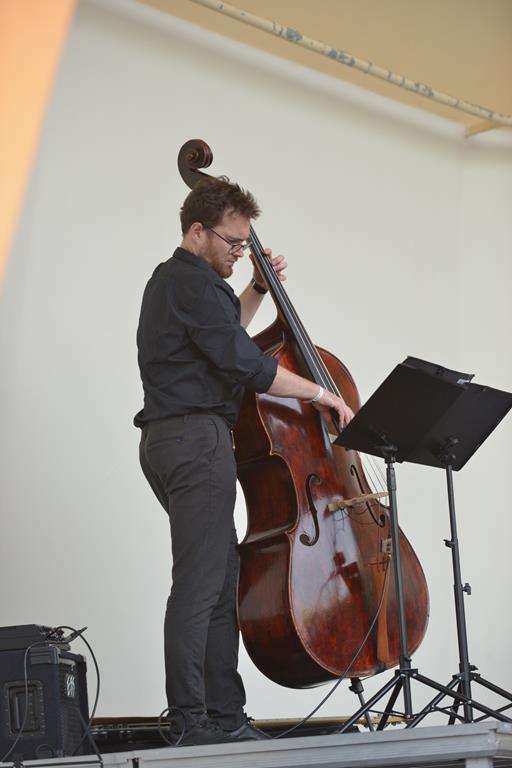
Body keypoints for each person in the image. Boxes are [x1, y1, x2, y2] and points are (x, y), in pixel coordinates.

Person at [134, 176, 353, 746]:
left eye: (243, 244)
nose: (239, 252)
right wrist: (321, 393)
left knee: (218, 577)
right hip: (196, 440)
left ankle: (223, 716)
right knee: (201, 583)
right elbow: (249, 365)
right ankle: (192, 721)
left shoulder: (176, 282)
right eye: (232, 243)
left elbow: (224, 333)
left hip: (171, 441)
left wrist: (257, 286)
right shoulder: (192, 281)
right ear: (197, 231)